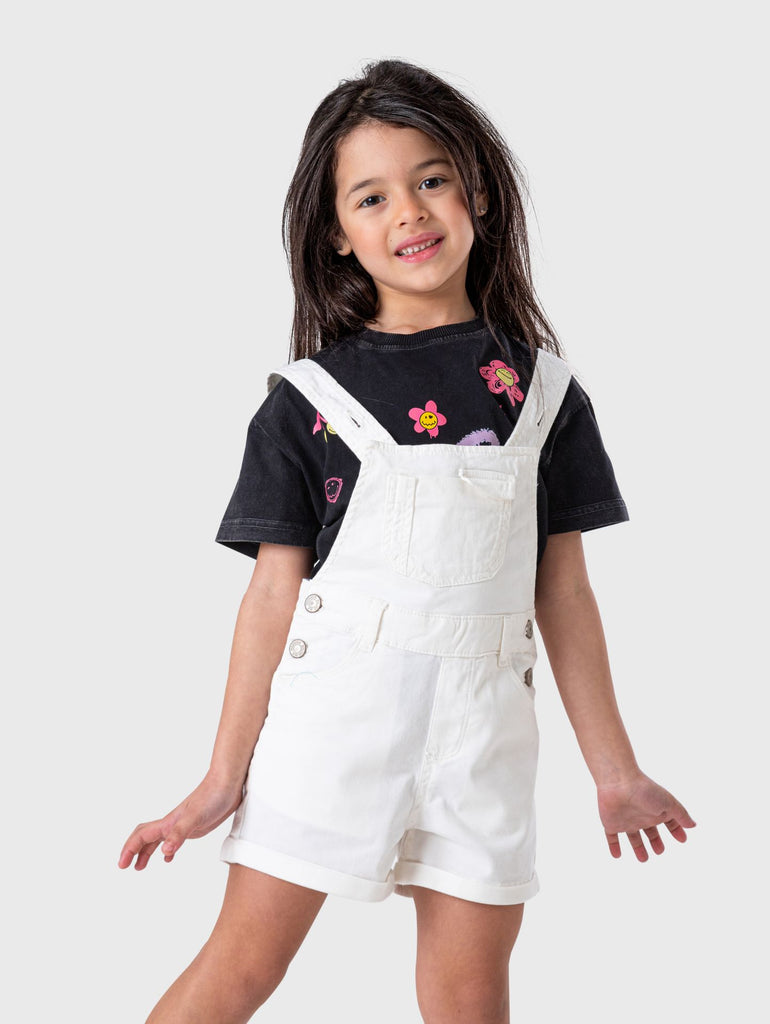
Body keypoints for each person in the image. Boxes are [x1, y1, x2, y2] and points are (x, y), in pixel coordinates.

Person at [119, 58, 696, 1024]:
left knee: (471, 1001)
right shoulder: (307, 403)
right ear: (336, 234)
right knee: (242, 968)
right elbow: (270, 597)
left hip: (485, 739)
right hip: (332, 729)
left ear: (478, 193)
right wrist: (223, 778)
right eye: (371, 197)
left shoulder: (545, 397)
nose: (410, 213)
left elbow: (564, 593)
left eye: (431, 179)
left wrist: (616, 771)